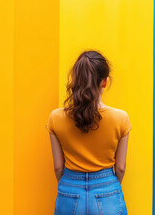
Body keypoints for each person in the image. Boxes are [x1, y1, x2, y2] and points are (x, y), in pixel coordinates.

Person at [45, 50, 132, 215]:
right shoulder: (121, 118)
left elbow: (58, 167)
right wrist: (108, 187)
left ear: (76, 79)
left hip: (69, 190)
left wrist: (72, 185)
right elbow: (120, 168)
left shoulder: (55, 118)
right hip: (107, 190)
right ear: (105, 82)